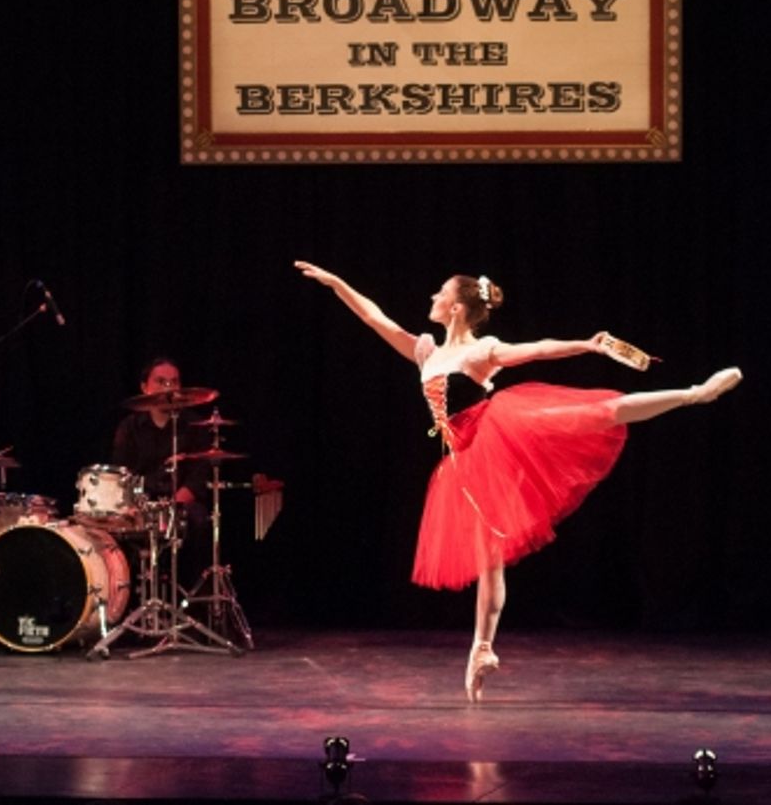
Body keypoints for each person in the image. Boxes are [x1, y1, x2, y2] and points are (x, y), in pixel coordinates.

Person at [295, 261, 742, 702]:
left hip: (502, 434)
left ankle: (694, 394)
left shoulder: (480, 350)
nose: (433, 297)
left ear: (456, 308)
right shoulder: (426, 352)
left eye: (440, 292)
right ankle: (481, 649)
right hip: (464, 463)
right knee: (490, 559)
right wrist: (337, 283)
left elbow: (538, 348)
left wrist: (587, 345)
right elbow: (375, 317)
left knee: (598, 413)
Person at [110, 357, 211, 580]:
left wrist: (173, 506)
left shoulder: (195, 426)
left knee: (199, 520)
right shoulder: (129, 428)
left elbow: (198, 478)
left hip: (181, 504)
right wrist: (138, 505)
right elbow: (123, 475)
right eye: (161, 381)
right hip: (141, 504)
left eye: (174, 382)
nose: (168, 388)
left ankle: (189, 597)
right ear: (144, 387)